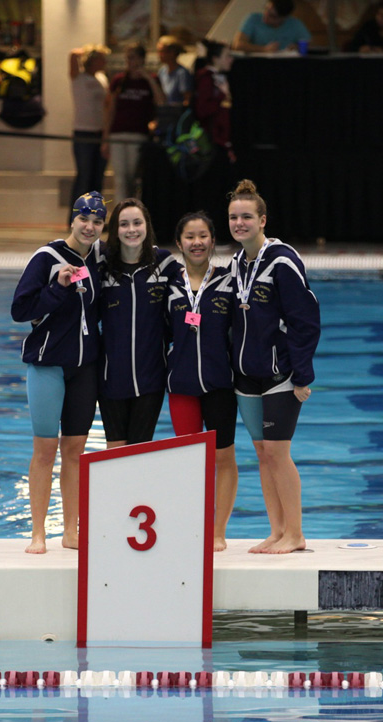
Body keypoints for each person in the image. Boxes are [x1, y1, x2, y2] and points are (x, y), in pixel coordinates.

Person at [11, 191, 107, 554]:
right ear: (73, 219)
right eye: (84, 219)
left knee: (75, 451)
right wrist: (57, 288)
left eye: (97, 221)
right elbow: (20, 310)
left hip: (84, 368)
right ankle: (38, 533)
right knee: (45, 451)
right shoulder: (47, 257)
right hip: (47, 365)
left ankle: (71, 531)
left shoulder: (98, 257)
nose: (90, 226)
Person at [228, 179, 320, 554]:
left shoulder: (283, 260)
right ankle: (277, 530)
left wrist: (302, 375)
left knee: (278, 453)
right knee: (263, 453)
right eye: (234, 217)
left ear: (263, 220)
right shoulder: (236, 263)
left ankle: (295, 532)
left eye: (247, 216)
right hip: (246, 376)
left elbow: (306, 320)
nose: (239, 223)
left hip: (281, 377)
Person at [167, 212, 238, 551]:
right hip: (181, 386)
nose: (196, 243)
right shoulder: (168, 284)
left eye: (203, 236)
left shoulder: (228, 281)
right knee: (187, 461)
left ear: (212, 240)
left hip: (220, 385)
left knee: (223, 458)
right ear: (178, 242)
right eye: (189, 237)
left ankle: (218, 531)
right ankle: (192, 525)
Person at [98, 197, 181, 447]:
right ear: (115, 230)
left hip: (151, 377)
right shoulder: (102, 267)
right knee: (114, 451)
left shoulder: (165, 264)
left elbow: (188, 300)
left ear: (147, 226)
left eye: (137, 222)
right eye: (124, 224)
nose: (131, 229)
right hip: (110, 376)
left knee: (138, 452)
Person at [101, 43, 165, 203]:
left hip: (138, 133)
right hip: (118, 133)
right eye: (127, 58)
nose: (129, 61)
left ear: (142, 59)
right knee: (120, 178)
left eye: (133, 57)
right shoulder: (119, 80)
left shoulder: (151, 80)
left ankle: (134, 211)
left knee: (134, 177)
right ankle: (120, 214)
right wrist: (105, 138)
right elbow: (110, 110)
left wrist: (148, 79)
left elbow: (161, 102)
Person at [192, 39, 237, 244]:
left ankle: (216, 235)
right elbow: (202, 111)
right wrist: (222, 97)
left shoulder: (218, 78)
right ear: (216, 58)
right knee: (213, 193)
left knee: (221, 192)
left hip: (220, 143)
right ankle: (210, 237)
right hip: (211, 145)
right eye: (227, 55)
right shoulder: (206, 78)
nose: (231, 59)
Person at [69, 46, 110, 223]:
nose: (105, 62)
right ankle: (77, 218)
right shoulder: (79, 77)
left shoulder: (102, 78)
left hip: (100, 132)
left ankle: (96, 217)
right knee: (84, 176)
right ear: (92, 60)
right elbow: (72, 55)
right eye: (101, 58)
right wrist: (89, 49)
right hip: (83, 132)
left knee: (97, 178)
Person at [232, 1, 311, 54]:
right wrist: (263, 49)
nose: (265, 16)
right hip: (256, 65)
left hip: (286, 66)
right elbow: (237, 44)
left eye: (272, 16)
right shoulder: (253, 19)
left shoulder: (295, 24)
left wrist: (297, 47)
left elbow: (309, 44)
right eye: (266, 10)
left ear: (284, 18)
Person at [156, 35, 193, 105]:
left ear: (172, 53)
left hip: (176, 113)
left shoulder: (182, 73)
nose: (159, 55)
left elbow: (187, 99)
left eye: (162, 52)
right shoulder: (162, 71)